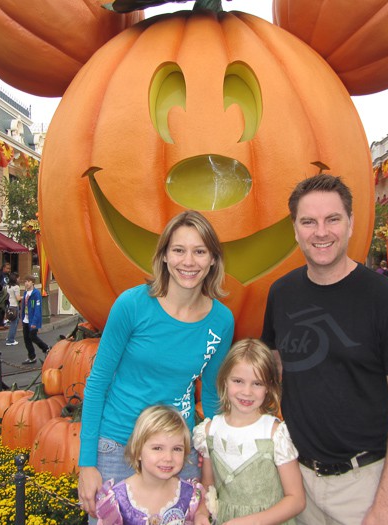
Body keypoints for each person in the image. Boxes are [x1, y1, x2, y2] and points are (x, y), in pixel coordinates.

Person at [261, 174, 388, 525]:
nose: (321, 232)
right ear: (295, 229)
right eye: (309, 222)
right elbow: (273, 374)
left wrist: (385, 502)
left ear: (350, 224)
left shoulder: (387, 301)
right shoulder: (281, 293)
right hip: (296, 482)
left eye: (332, 219)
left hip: (362, 485)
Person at [77, 210, 234, 522]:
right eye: (178, 250)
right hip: (118, 447)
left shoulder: (221, 320)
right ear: (163, 256)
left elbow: (214, 399)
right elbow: (98, 384)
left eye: (200, 251)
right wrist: (87, 463)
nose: (188, 262)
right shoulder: (132, 305)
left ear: (213, 260)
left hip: (178, 451)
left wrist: (210, 466)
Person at [193, 339, 305, 524]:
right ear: (224, 381)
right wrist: (202, 512)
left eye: (257, 383)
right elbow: (208, 485)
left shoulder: (275, 434)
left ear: (269, 387)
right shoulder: (209, 432)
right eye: (238, 381)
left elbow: (296, 499)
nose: (247, 392)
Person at [95, 405, 204, 525]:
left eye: (177, 449)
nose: (168, 458)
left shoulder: (190, 495)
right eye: (157, 448)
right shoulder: (117, 500)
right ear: (138, 451)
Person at [20, 275, 50, 364]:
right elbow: (24, 306)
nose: (26, 283)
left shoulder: (36, 293)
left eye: (28, 281)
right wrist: (22, 318)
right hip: (26, 319)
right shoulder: (25, 293)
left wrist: (34, 322)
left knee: (32, 336)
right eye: (25, 281)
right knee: (26, 339)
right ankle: (32, 356)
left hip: (32, 320)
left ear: (33, 282)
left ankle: (46, 348)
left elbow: (37, 308)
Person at [5, 272, 22, 346]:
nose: (19, 279)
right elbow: (18, 298)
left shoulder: (7, 286)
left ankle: (9, 337)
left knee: (14, 322)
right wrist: (24, 297)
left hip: (9, 306)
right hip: (14, 306)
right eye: (18, 278)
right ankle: (10, 340)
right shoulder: (16, 287)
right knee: (14, 324)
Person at [0, 262, 11, 330]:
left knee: (4, 309)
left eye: (9, 268)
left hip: (6, 294)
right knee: (0, 309)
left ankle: (2, 323)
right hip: (0, 294)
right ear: (3, 268)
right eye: (7, 268)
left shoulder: (8, 275)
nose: (9, 270)